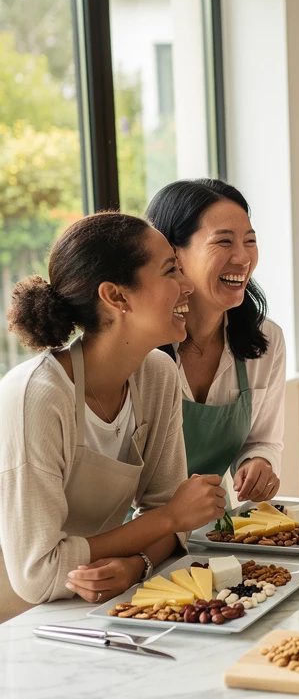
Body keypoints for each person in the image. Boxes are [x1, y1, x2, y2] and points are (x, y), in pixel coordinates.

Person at [0, 213, 226, 622]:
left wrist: (137, 563)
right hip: (16, 619)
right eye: (171, 269)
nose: (188, 284)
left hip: (90, 611)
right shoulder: (37, 396)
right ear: (117, 297)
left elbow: (174, 523)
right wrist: (169, 518)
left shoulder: (156, 374)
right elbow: (36, 574)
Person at [145, 179, 286, 502]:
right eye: (224, 242)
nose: (242, 257)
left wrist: (259, 462)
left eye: (250, 241)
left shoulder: (266, 340)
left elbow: (262, 439)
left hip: (209, 530)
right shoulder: (139, 349)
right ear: (173, 252)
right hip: (129, 534)